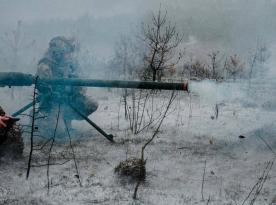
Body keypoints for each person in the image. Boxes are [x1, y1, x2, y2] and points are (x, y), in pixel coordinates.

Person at [36, 36, 98, 133]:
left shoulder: (71, 64)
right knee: (58, 131)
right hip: (53, 103)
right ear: (58, 53)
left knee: (92, 104)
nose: (69, 55)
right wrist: (55, 93)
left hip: (69, 100)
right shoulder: (45, 66)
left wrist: (76, 89)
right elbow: (42, 89)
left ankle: (66, 118)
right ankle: (42, 120)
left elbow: (82, 85)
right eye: (66, 53)